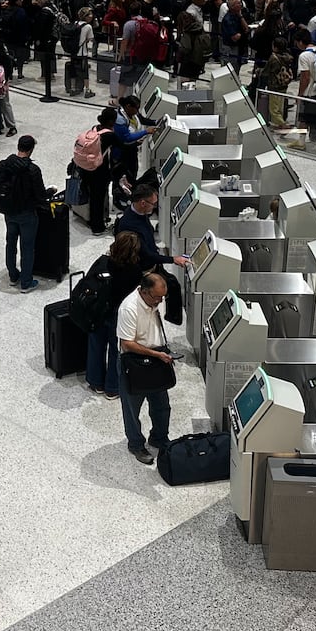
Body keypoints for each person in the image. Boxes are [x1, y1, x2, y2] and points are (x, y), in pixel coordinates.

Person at [117, 272, 178, 465]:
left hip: (157, 358)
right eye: (157, 297)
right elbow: (127, 343)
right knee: (132, 408)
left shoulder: (154, 300)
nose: (160, 301)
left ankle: (159, 438)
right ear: (143, 292)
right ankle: (136, 444)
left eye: (163, 297)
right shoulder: (129, 308)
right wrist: (156, 354)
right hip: (135, 363)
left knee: (162, 406)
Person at [0, 134, 56, 293]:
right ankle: (26, 282)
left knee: (10, 242)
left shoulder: (4, 164)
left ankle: (13, 276)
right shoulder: (32, 170)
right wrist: (51, 191)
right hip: (27, 213)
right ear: (31, 149)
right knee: (27, 247)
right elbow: (40, 196)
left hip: (8, 211)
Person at [85, 231, 142, 399]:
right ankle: (112, 387)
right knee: (116, 350)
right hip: (119, 314)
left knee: (96, 345)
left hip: (98, 310)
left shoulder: (102, 262)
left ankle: (95, 381)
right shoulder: (134, 271)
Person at [115, 184, 191, 275]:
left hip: (154, 261)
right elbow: (146, 254)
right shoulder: (129, 225)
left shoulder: (140, 212)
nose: (155, 207)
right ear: (143, 203)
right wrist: (174, 259)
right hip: (144, 270)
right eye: (153, 204)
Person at [284, 27, 316, 151]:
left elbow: (305, 77)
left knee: (304, 117)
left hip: (311, 92)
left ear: (300, 41)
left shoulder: (304, 56)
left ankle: (301, 142)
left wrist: (300, 94)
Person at [76, 107, 120, 236]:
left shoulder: (95, 128)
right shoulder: (109, 135)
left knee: (92, 196)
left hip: (86, 168)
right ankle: (98, 227)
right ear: (112, 121)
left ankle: (93, 219)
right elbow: (124, 145)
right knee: (98, 199)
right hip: (100, 171)